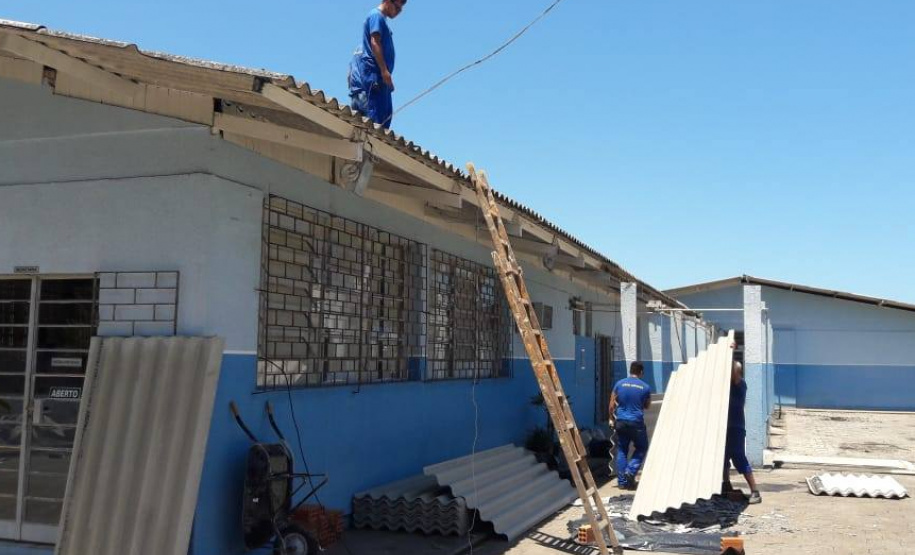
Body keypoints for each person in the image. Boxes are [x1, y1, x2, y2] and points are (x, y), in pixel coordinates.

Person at [348, 0, 406, 129]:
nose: (398, 12)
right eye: (397, 7)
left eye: (401, 9)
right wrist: (384, 71)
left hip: (376, 82)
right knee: (376, 126)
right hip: (375, 80)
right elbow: (375, 42)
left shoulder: (380, 21)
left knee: (382, 122)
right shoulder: (376, 16)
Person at [723, 360, 762, 504]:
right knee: (724, 458)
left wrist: (729, 353)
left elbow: (733, 373)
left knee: (739, 458)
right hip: (725, 428)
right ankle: (726, 485)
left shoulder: (741, 384)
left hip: (736, 428)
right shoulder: (726, 385)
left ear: (737, 373)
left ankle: (755, 491)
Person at [609, 361, 651, 490]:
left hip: (621, 422)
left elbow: (611, 404)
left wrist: (611, 419)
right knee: (642, 447)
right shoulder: (645, 387)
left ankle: (622, 482)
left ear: (630, 370)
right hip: (636, 423)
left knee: (622, 450)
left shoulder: (619, 384)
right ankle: (630, 471)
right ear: (641, 372)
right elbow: (647, 406)